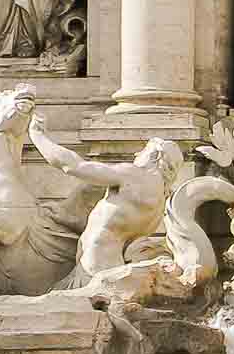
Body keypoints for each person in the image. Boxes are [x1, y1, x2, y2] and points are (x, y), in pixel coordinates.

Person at [27, 115, 183, 285]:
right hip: (112, 264)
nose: (137, 154)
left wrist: (37, 135)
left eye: (144, 150)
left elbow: (73, 166)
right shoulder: (161, 200)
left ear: (155, 156)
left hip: (95, 262)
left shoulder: (135, 175)